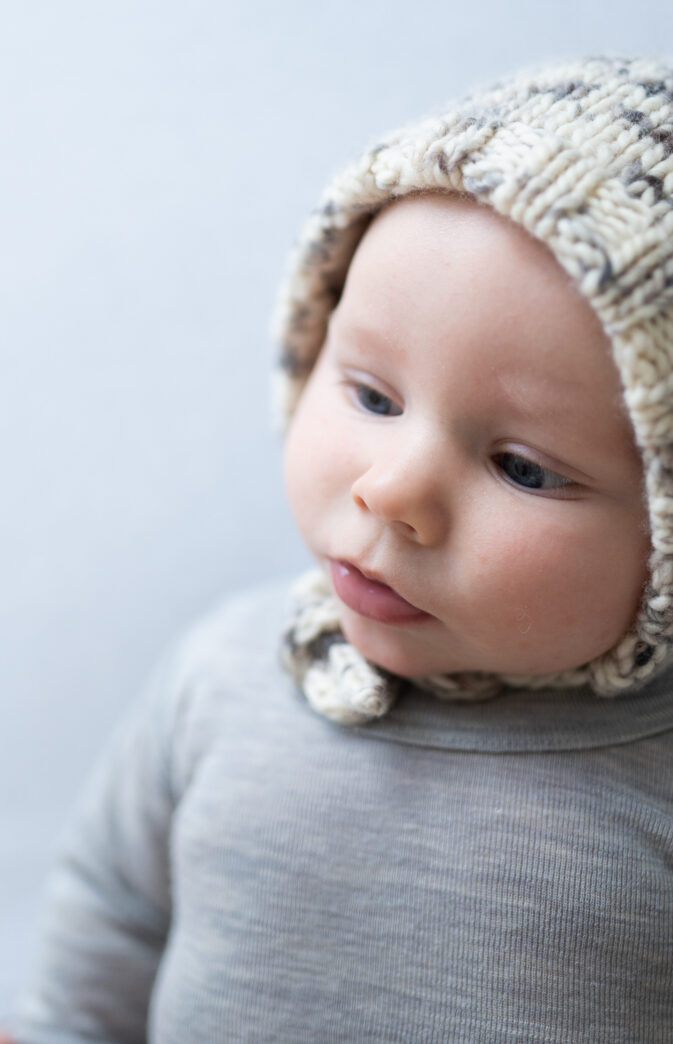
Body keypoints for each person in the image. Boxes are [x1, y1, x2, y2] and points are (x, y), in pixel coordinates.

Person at [10, 55, 673, 1042]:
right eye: (372, 396)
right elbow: (115, 910)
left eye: (522, 468)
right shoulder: (222, 677)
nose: (391, 491)